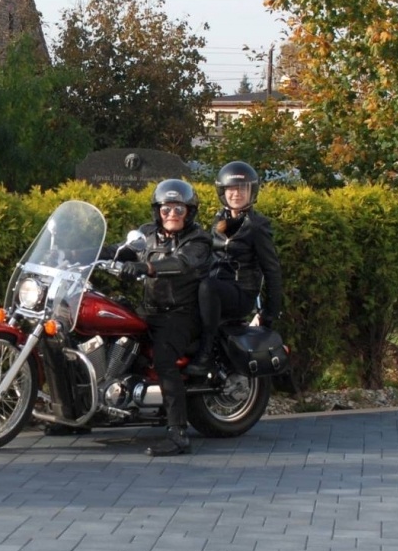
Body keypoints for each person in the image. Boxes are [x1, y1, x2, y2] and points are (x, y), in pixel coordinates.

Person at [105, 178, 212, 457]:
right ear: (157, 211)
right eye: (166, 209)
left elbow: (182, 262)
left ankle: (178, 434)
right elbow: (120, 250)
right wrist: (81, 254)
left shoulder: (198, 239)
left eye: (179, 209)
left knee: (164, 359)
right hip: (149, 310)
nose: (172, 215)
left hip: (180, 315)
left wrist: (147, 266)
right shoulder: (147, 234)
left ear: (189, 212)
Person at [189, 160, 283, 376]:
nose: (236, 194)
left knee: (207, 287)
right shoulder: (219, 220)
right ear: (223, 192)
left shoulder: (257, 225)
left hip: (240, 292)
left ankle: (205, 354)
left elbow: (271, 269)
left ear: (252, 192)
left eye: (242, 189)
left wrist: (269, 313)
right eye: (231, 189)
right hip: (217, 287)